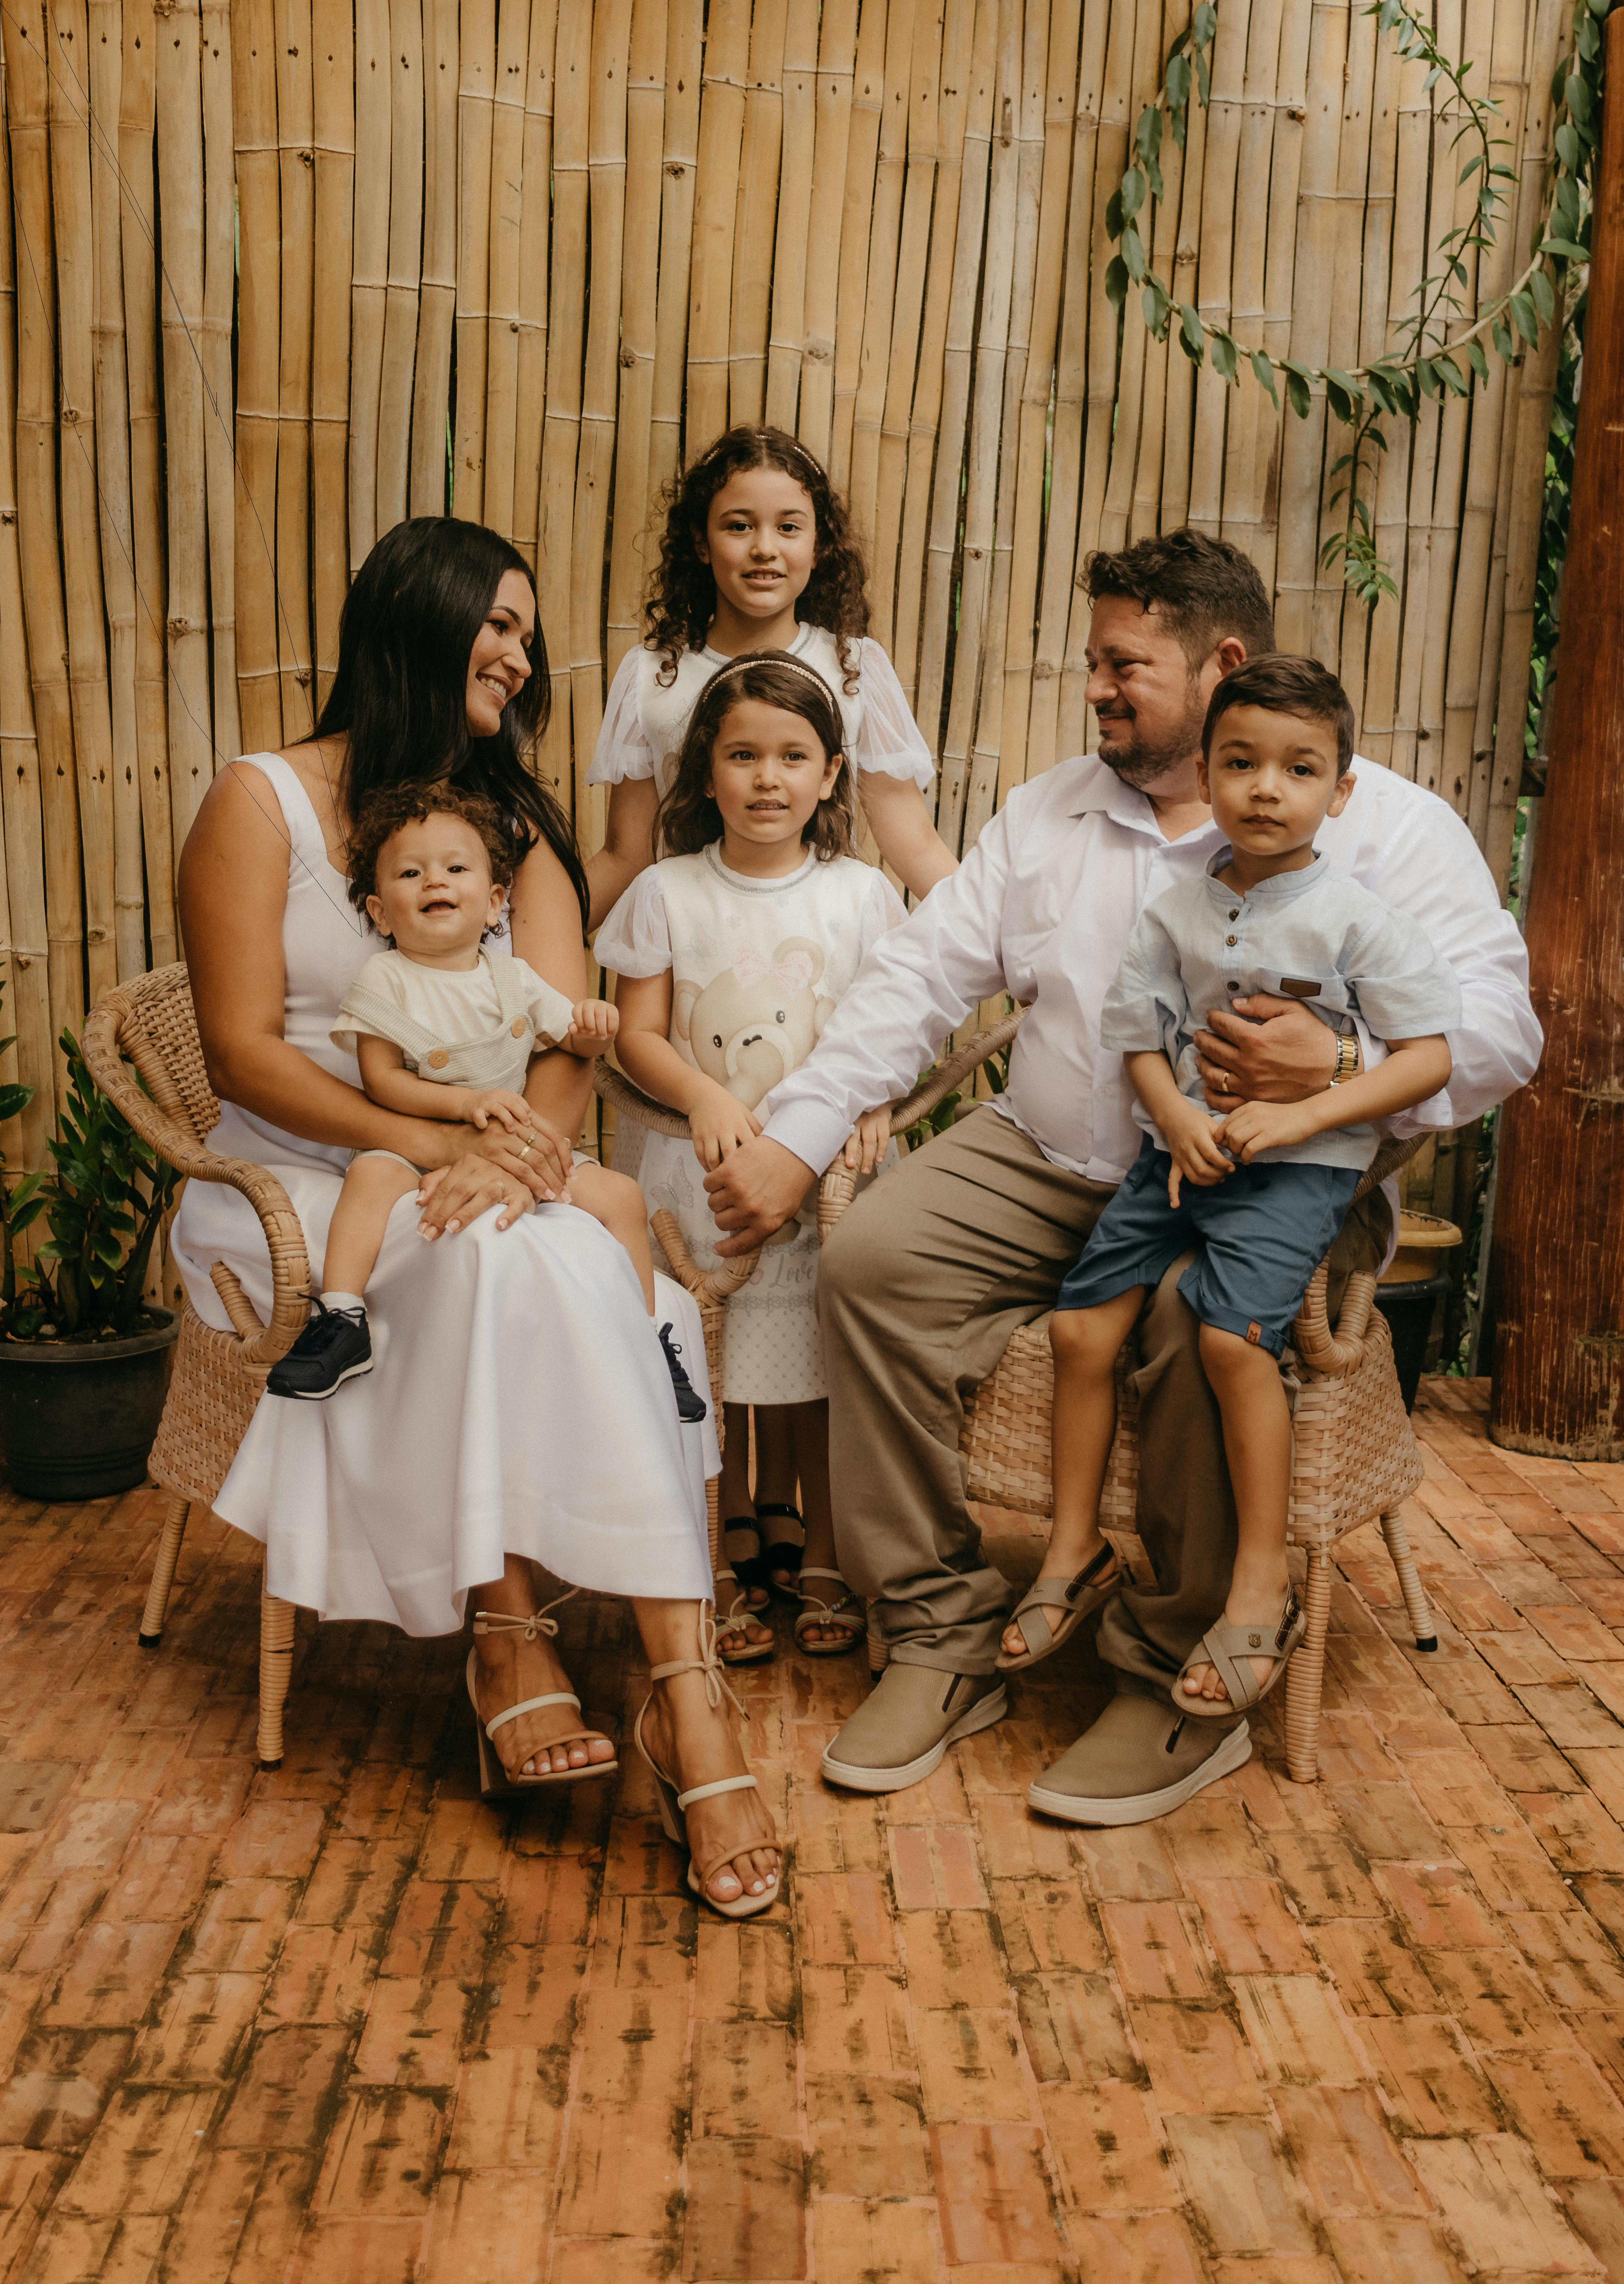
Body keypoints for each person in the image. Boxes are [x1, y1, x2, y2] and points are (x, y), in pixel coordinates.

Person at [702, 528, 1541, 1828]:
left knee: (1191, 1322)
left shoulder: (1389, 829)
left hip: (1272, 1173)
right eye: (1095, 661)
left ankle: (1174, 1677)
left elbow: (1503, 1028)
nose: (1093, 687)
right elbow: (919, 981)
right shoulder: (1050, 815)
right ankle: (938, 1632)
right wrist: (797, 1135)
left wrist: (1345, 1058)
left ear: (1224, 664)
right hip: (1051, 1154)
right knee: (871, 1262)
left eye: (1121, 663)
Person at [176, 516, 779, 1916]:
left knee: (527, 1245)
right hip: (297, 1186)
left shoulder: (513, 828)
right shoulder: (258, 802)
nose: (518, 651)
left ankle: (673, 1688)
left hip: (493, 1167)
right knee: (516, 1259)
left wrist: (517, 1161)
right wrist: (431, 1139)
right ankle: (515, 1635)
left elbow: (567, 1044)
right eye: (495, 622)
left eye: (525, 629)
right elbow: (242, 1050)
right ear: (416, 616)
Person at [1002, 655, 1457, 1725]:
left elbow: (1428, 1056)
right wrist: (1179, 1119)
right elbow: (1138, 1040)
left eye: (1299, 769)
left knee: (1227, 1341)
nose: (1266, 788)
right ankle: (1073, 1551)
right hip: (1185, 1157)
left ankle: (1260, 1579)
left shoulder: (1354, 918)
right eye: (1242, 763)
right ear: (1204, 773)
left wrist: (1303, 1115)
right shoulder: (1178, 909)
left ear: (1339, 791)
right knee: (1081, 1333)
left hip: (1298, 1172)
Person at [585, 424, 958, 1628]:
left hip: (823, 1085)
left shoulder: (853, 668)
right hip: (691, 1082)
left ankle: (824, 1549)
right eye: (738, 522)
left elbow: (904, 846)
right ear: (701, 538)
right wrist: (521, 974)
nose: (763, 546)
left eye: (788, 524)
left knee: (815, 1335)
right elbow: (627, 858)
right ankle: (725, 1541)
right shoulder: (652, 671)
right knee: (709, 1328)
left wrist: (1003, 942)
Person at [597, 653, 902, 1663]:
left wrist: (874, 1103)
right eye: (741, 756)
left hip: (832, 1186)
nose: (767, 778)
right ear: (704, 771)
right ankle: (712, 1562)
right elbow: (638, 1031)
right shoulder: (664, 892)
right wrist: (701, 1091)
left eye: (791, 756)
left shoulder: (862, 898)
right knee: (706, 1361)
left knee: (815, 1363)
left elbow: (891, 1027)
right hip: (697, 1168)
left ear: (830, 773)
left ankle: (819, 1550)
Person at [266, 784, 704, 1424]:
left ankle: (647, 1341)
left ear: (496, 901)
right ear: (381, 911)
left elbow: (567, 1038)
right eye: (410, 873)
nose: (434, 881)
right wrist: (465, 1105)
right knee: (367, 1175)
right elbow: (382, 1080)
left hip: (511, 1149)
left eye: (455, 869)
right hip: (414, 1147)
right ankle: (342, 1317)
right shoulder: (386, 980)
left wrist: (592, 1026)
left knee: (623, 1199)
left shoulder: (513, 978)